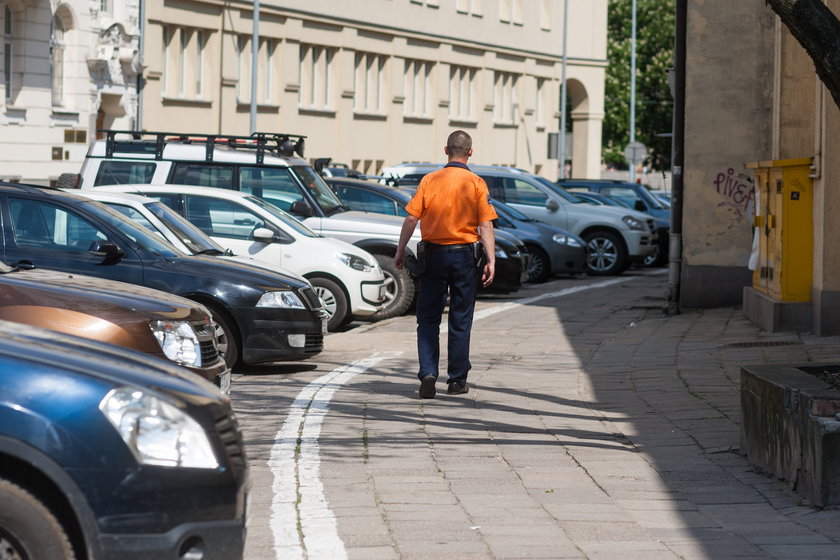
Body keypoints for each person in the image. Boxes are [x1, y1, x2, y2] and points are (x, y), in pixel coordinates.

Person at [394, 130, 497, 399]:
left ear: (445, 150)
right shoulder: (476, 183)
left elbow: (411, 219)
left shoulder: (430, 180)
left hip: (434, 257)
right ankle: (457, 380)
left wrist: (399, 250)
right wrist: (491, 259)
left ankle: (428, 372)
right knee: (460, 318)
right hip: (464, 257)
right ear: (470, 152)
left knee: (427, 317)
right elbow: (485, 224)